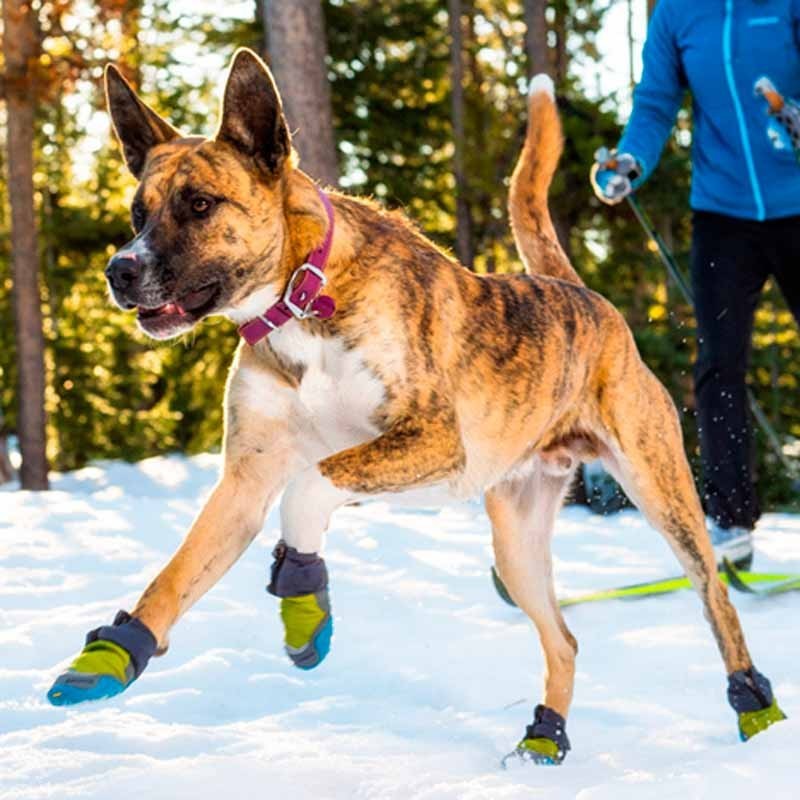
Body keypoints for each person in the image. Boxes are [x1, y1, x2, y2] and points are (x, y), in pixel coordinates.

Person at [590, 0, 800, 570]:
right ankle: (730, 519)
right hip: (722, 213)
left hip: (797, 203)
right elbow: (656, 104)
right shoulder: (678, 13)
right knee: (719, 363)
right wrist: (631, 161)